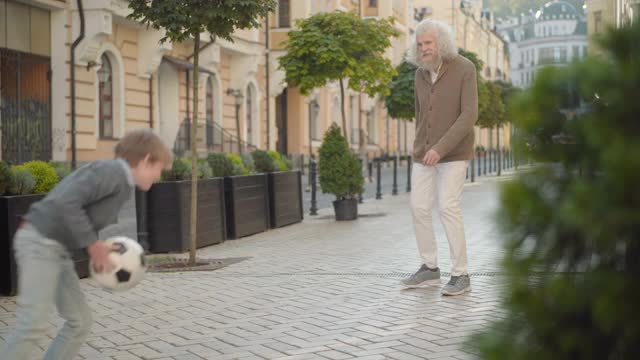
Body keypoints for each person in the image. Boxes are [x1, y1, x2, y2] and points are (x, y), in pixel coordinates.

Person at [1, 129, 172, 359]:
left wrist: (97, 248)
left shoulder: (122, 183)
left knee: (80, 322)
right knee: (33, 324)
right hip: (39, 242)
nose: (159, 176)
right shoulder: (111, 172)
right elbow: (65, 203)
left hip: (57, 249)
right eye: (159, 168)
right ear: (146, 160)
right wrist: (92, 245)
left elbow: (79, 216)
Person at [400, 19, 478, 296]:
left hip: (454, 153)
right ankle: (430, 268)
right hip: (424, 154)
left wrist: (440, 148)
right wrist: (420, 148)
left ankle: (461, 273)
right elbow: (421, 115)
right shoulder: (419, 75)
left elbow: (469, 115)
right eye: (420, 44)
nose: (424, 49)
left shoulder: (465, 69)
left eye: (428, 43)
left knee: (447, 207)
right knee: (418, 207)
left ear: (441, 42)